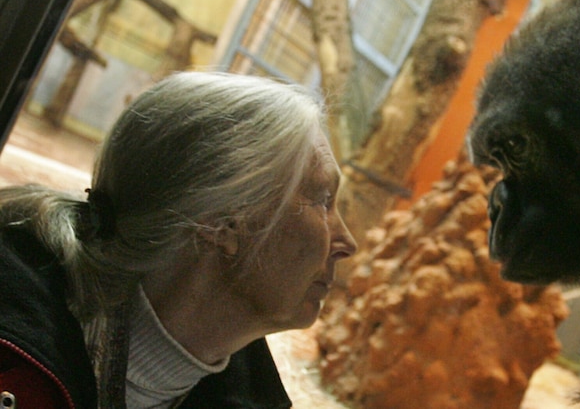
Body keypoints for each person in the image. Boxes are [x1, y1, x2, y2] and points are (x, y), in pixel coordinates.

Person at [0, 71, 357, 408]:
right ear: (223, 222)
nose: (347, 243)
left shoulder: (252, 394)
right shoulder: (12, 348)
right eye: (324, 200)